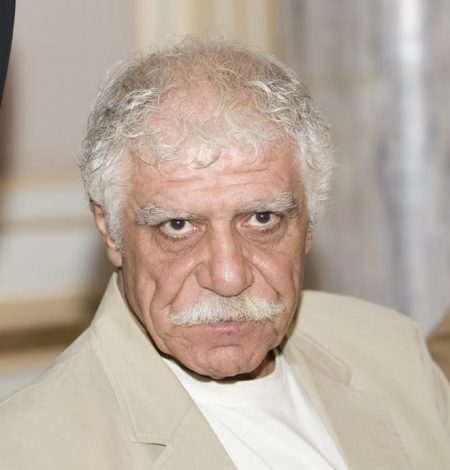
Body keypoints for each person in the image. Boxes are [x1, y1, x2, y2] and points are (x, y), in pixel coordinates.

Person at [0, 38, 448, 470]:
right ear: (111, 232)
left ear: (309, 221)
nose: (230, 277)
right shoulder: (29, 451)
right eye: (178, 226)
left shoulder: (393, 352)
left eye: (262, 219)